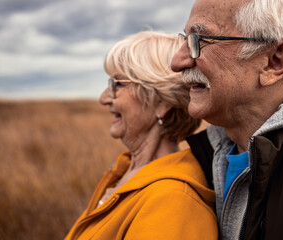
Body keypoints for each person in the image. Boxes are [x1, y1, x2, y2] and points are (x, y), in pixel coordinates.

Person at [171, 0, 283, 239]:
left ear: (275, 61)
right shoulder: (198, 158)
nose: (177, 62)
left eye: (199, 41)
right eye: (185, 40)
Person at [65, 31, 218, 240]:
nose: (103, 98)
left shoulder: (172, 200)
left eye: (118, 84)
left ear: (162, 103)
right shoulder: (125, 173)